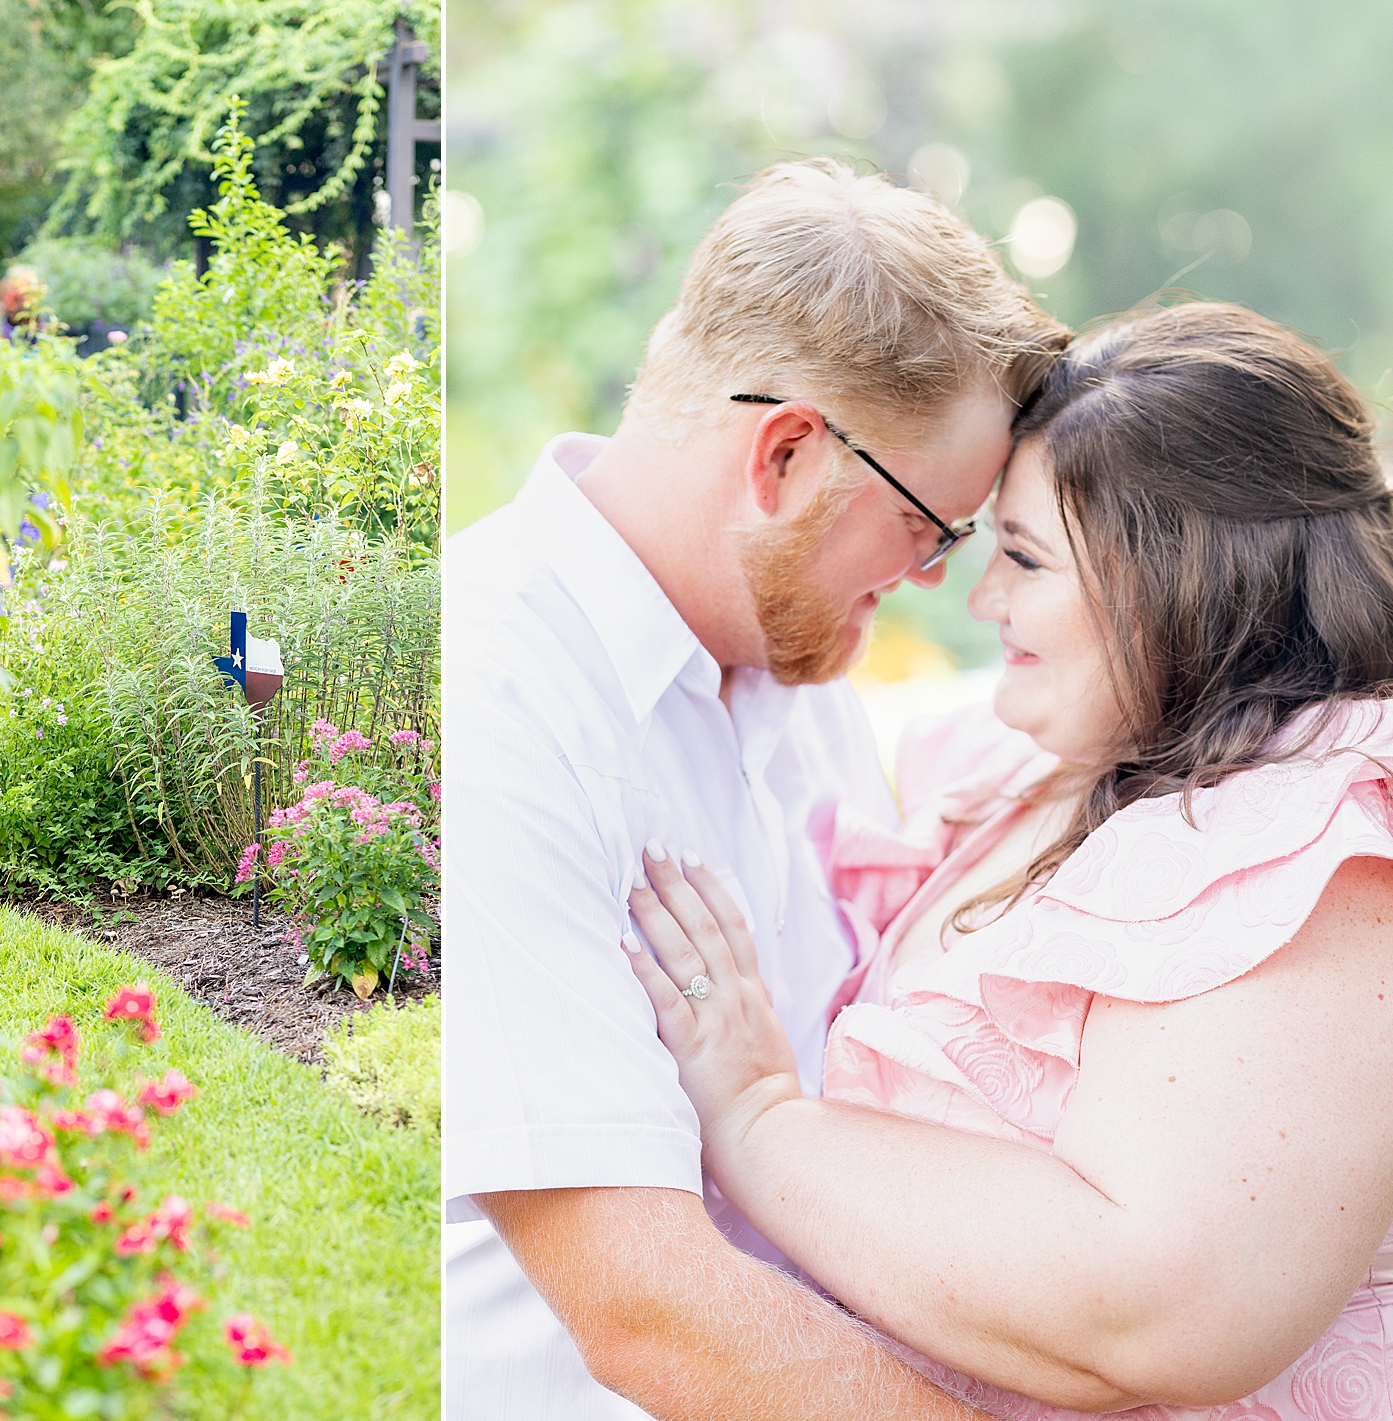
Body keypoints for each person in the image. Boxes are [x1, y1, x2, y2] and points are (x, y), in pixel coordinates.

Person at [625, 301, 1393, 1419]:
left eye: (1023, 559)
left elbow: (1158, 1311)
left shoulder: (1316, 849)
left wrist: (758, 1119)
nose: (982, 600)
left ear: (1178, 579)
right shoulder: (1044, 770)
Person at [443, 157, 1068, 1418]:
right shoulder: (493, 694)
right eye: (930, 530)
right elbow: (644, 1306)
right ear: (784, 454)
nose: (941, 579)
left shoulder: (795, 669)